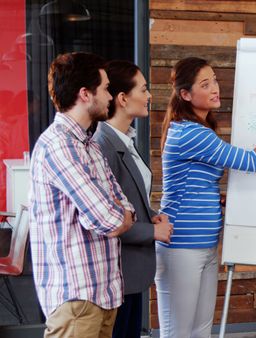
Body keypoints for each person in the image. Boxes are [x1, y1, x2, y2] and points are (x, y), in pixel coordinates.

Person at [156, 57, 256, 338]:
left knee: (201, 330)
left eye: (214, 79)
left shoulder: (200, 129)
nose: (215, 87)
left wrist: (214, 199)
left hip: (204, 244)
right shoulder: (190, 133)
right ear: (186, 95)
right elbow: (253, 161)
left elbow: (195, 183)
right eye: (205, 84)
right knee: (178, 333)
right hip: (181, 245)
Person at [29, 52, 135, 338]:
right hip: (77, 297)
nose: (110, 96)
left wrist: (117, 212)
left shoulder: (89, 145)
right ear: (85, 94)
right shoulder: (59, 146)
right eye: (104, 88)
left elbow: (124, 206)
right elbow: (108, 219)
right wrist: (116, 213)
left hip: (101, 292)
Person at [92, 60, 174, 338]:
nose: (150, 95)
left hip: (133, 269)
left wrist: (150, 213)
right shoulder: (103, 145)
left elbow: (129, 197)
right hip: (117, 270)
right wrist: (154, 231)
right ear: (123, 99)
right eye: (144, 88)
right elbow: (107, 217)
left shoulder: (126, 140)